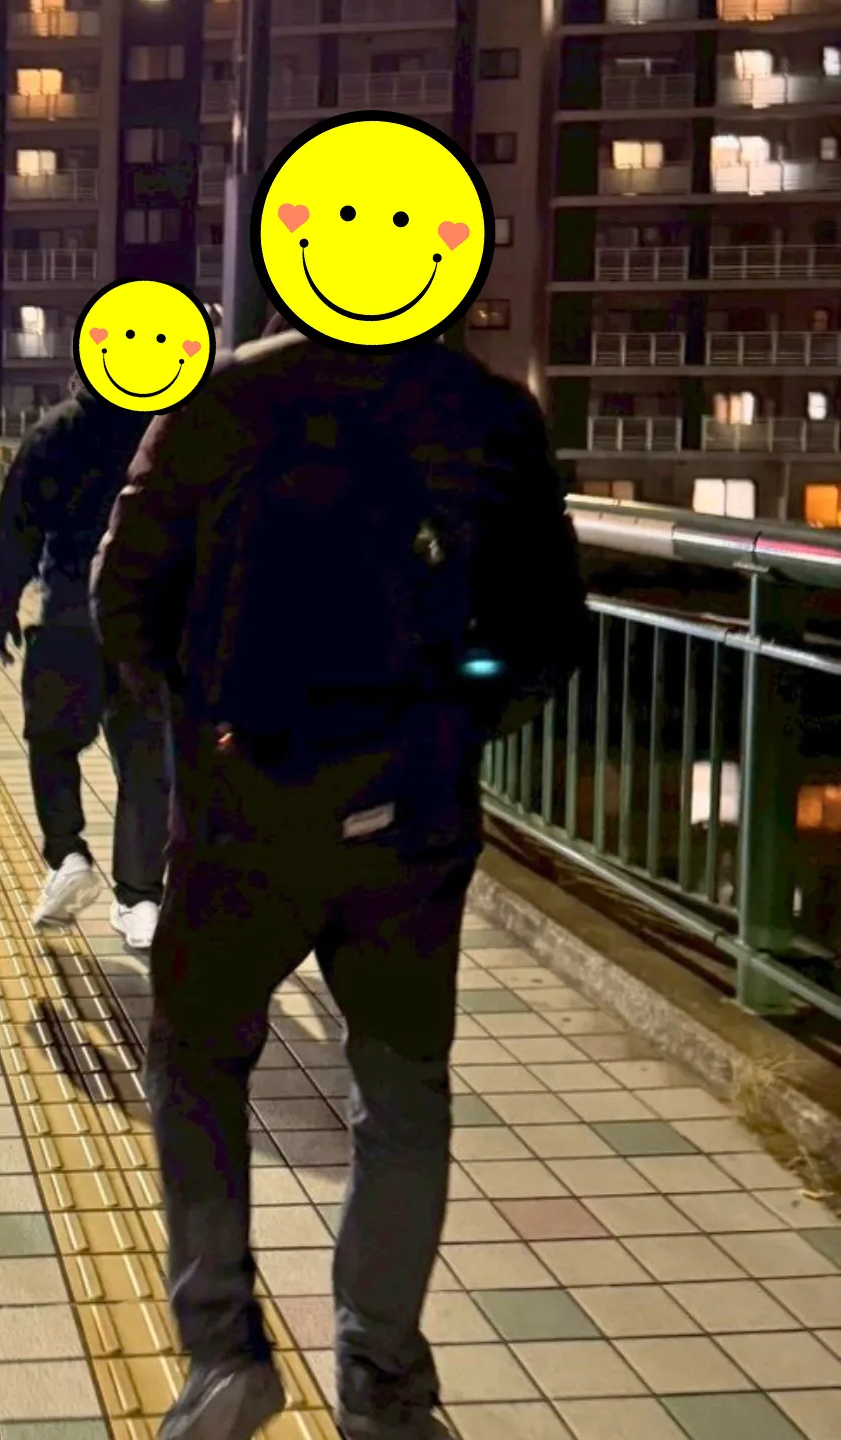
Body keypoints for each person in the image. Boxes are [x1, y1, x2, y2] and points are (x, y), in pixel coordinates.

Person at [91, 328, 587, 1440]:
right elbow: (548, 632)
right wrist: (451, 727)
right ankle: (382, 1380)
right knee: (401, 1095)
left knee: (197, 1067)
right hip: (412, 821)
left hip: (242, 815)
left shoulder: (220, 401)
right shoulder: (489, 412)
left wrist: (205, 728)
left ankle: (225, 1355)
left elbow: (123, 599)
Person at [0, 377, 170, 948]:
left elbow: (17, 523)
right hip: (150, 621)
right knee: (145, 758)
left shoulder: (57, 429)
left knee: (52, 740)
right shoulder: (174, 427)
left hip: (68, 613)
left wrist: (0, 604)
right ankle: (139, 897)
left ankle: (68, 855)